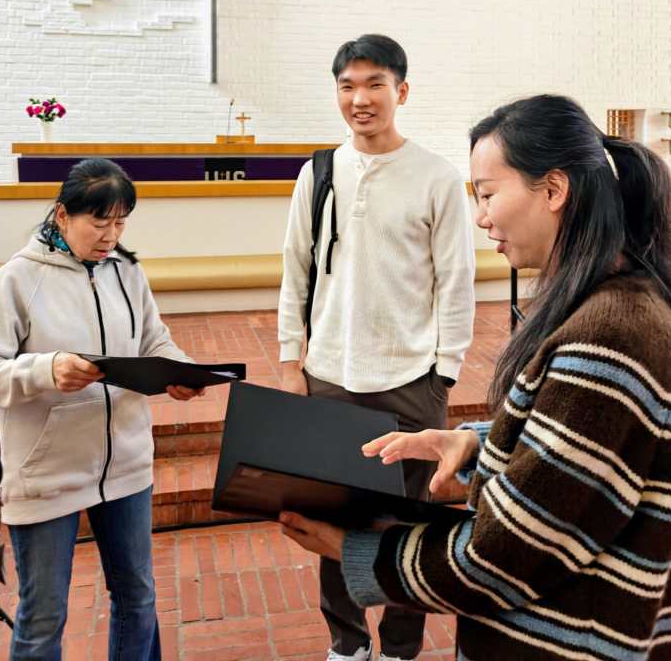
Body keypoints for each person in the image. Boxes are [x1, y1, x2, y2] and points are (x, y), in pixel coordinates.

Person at [280, 94, 671, 661]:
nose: (482, 217)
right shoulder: (620, 303)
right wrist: (476, 444)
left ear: (553, 190)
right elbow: (590, 453)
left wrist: (355, 550)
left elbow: (505, 556)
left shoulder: (608, 336)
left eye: (488, 195)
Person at [278, 34, 476, 661]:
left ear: (401, 91)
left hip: (411, 380)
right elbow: (296, 271)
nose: (359, 99)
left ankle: (399, 648)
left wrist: (445, 372)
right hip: (330, 374)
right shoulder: (318, 173)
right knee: (330, 516)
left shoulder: (437, 177)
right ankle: (347, 642)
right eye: (347, 86)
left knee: (408, 521)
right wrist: (290, 362)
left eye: (374, 85)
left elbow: (456, 280)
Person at [0, 158, 203, 661]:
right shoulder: (17, 279)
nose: (111, 236)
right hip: (47, 474)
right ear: (62, 215)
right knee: (43, 617)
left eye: (121, 222)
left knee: (138, 596)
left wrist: (182, 369)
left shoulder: (127, 270)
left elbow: (153, 339)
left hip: (126, 465)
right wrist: (46, 370)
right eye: (100, 222)